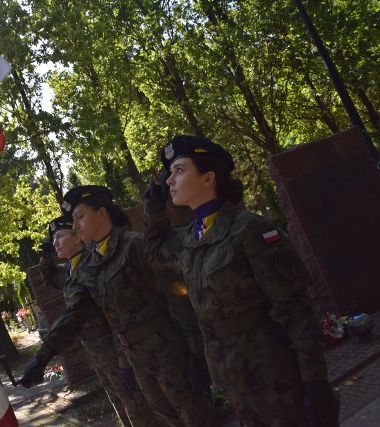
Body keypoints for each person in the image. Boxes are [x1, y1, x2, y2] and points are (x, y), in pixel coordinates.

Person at [143, 135, 340, 427]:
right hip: (234, 381)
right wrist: (154, 212)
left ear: (208, 178)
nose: (169, 181)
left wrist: (315, 382)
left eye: (179, 171)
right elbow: (154, 254)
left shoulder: (250, 229)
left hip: (276, 377)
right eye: (168, 174)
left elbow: (296, 310)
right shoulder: (189, 238)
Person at [20, 186, 217, 427]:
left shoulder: (134, 245)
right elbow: (75, 315)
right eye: (73, 221)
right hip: (138, 362)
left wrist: (197, 353)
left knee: (196, 417)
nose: (76, 227)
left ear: (101, 213)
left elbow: (178, 298)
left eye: (80, 217)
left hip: (171, 353)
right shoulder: (90, 265)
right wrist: (42, 358)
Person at [39, 215, 160, 427]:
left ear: (77, 238)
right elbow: (49, 277)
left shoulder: (93, 265)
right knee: (120, 403)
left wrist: (123, 360)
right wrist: (46, 257)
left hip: (112, 348)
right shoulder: (69, 271)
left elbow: (115, 316)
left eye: (59, 236)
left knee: (137, 404)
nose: (55, 242)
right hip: (96, 352)